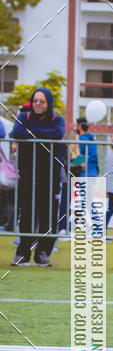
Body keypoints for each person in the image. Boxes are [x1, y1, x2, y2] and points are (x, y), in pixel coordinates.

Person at [10, 86, 66, 266]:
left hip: (50, 177)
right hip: (27, 175)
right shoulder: (23, 117)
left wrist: (31, 134)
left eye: (42, 101)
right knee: (26, 214)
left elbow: (57, 134)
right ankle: (23, 253)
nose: (38, 104)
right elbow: (16, 133)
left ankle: (42, 252)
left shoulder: (57, 120)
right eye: (35, 101)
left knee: (48, 216)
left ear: (48, 103)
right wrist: (40, 136)